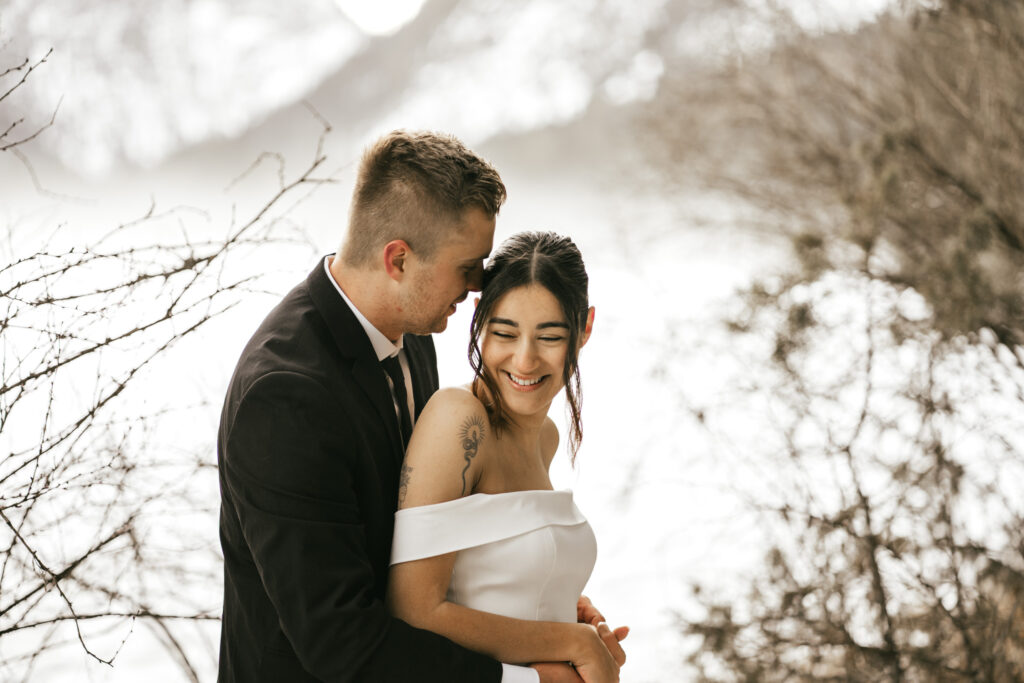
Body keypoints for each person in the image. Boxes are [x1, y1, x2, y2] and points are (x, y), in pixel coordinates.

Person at [216, 130, 612, 682]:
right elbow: (341, 642)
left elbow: (430, 535)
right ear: (398, 259)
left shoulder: (413, 334)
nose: (479, 286)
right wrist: (533, 677)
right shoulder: (286, 396)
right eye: (468, 266)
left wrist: (537, 605)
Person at [387, 231, 629, 683]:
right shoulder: (459, 419)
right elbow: (413, 610)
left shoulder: (547, 437)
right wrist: (573, 645)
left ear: (586, 328)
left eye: (550, 337)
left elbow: (499, 576)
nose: (525, 360)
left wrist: (573, 616)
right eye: (504, 333)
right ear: (477, 318)